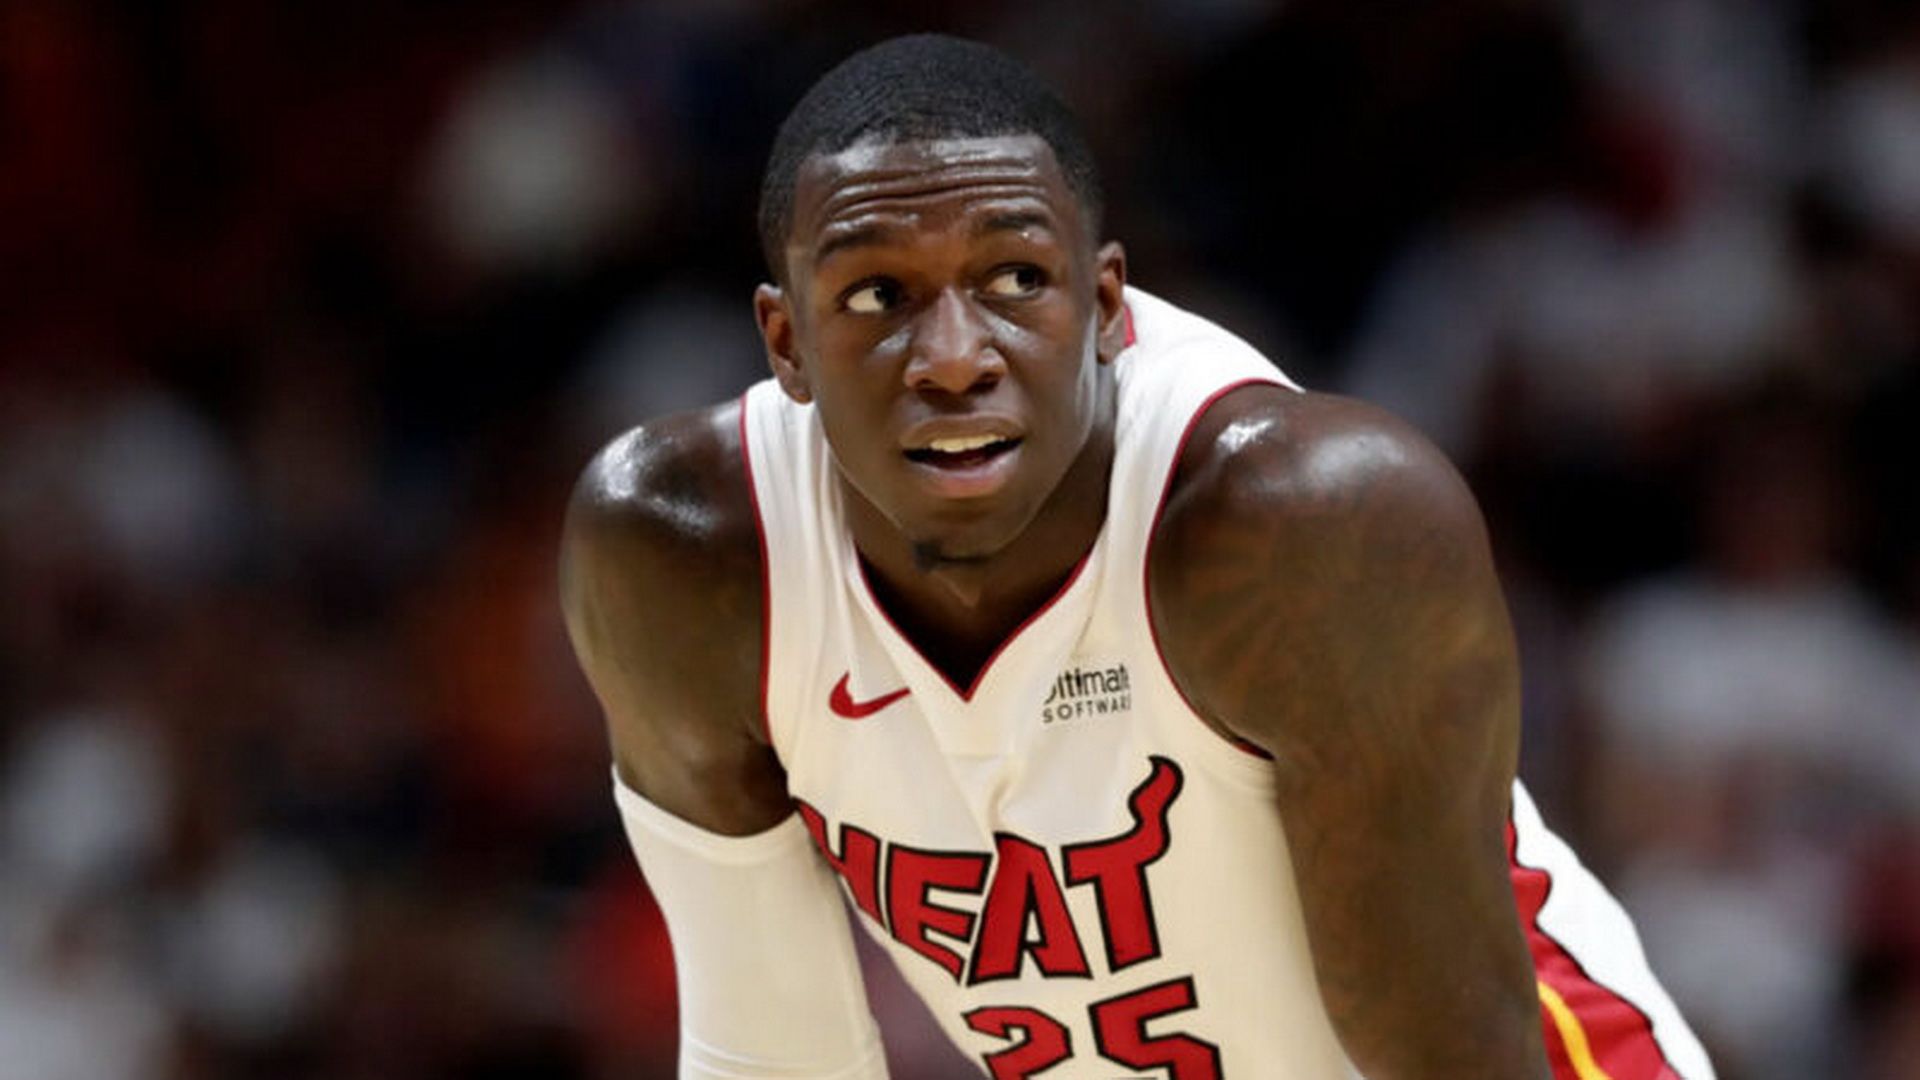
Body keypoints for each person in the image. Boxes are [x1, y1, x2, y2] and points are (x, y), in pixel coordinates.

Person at [560, 33, 1713, 1080]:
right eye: (878, 294)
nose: (953, 357)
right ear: (785, 342)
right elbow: (770, 1055)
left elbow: (1455, 1060)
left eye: (1016, 279)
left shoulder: (1299, 526)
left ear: (1108, 305)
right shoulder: (687, 557)